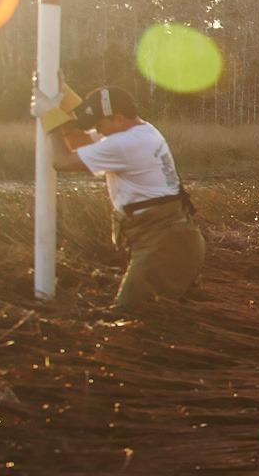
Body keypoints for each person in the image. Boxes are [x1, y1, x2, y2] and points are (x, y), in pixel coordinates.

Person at [52, 85, 205, 314]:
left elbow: (62, 161)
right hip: (174, 241)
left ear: (119, 119)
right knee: (166, 323)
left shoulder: (124, 144)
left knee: (130, 320)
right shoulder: (141, 131)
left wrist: (49, 120)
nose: (98, 132)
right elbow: (78, 141)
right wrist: (61, 96)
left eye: (100, 125)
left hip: (163, 247)